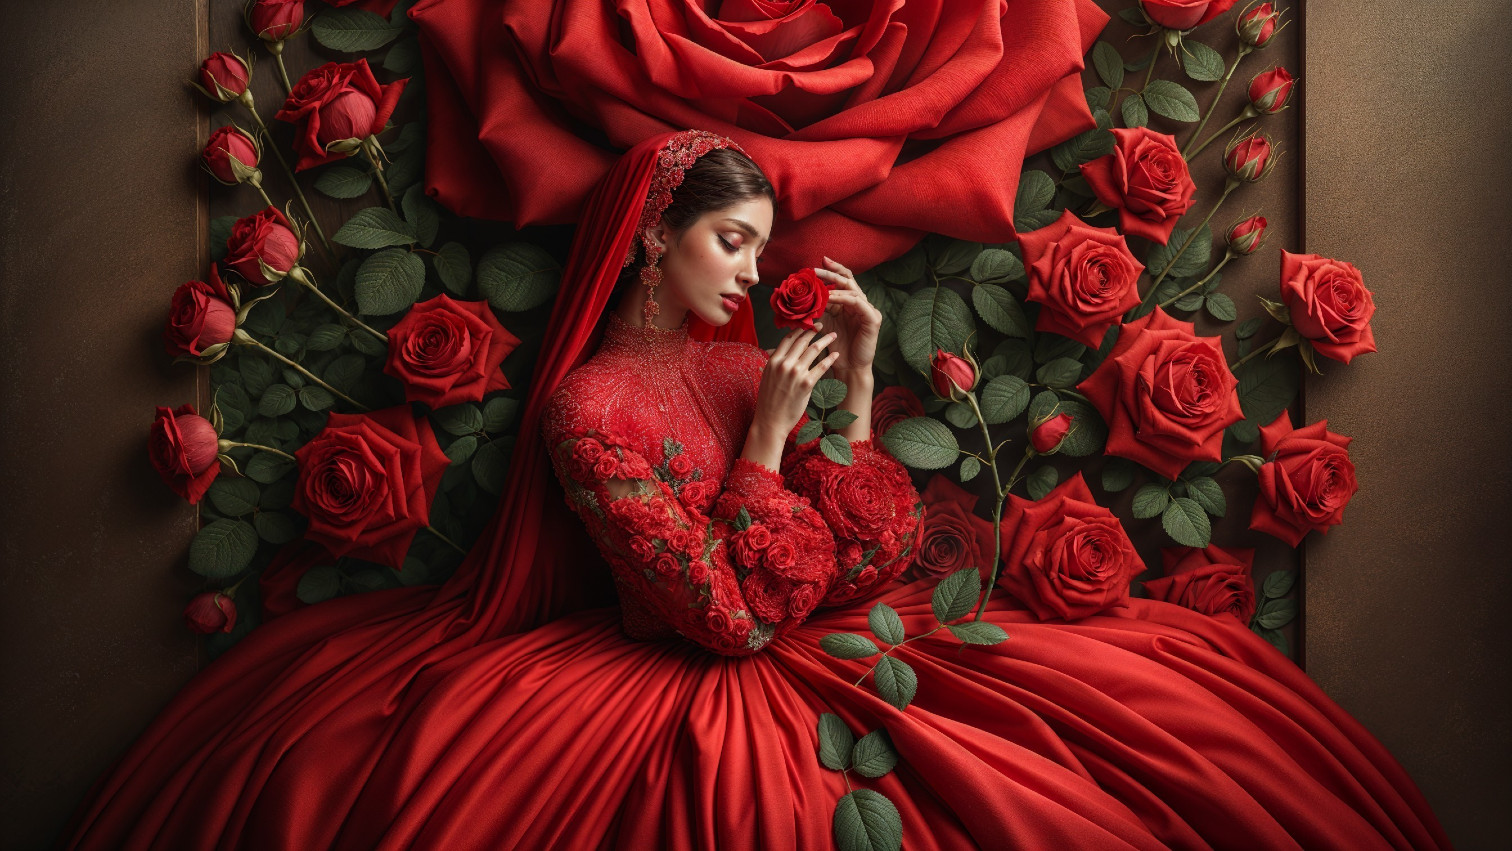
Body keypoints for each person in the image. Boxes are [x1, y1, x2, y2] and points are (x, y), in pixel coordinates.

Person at [61, 130, 1448, 849]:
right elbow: (725, 622)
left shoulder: (743, 366)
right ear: (655, 236)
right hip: (667, 686)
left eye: (758, 242)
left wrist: (852, 385)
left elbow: (872, 560)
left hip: (826, 639)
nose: (746, 268)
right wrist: (769, 450)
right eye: (728, 240)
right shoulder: (586, 407)